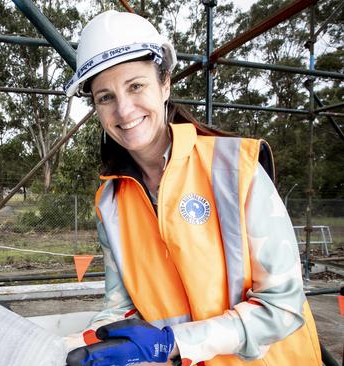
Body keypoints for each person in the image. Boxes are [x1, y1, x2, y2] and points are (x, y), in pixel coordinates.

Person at [62, 10, 322, 366]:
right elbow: (119, 308)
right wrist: (91, 342)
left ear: (165, 84)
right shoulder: (110, 201)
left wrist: (172, 344)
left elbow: (283, 306)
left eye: (136, 86)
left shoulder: (237, 168)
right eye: (105, 97)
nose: (123, 110)